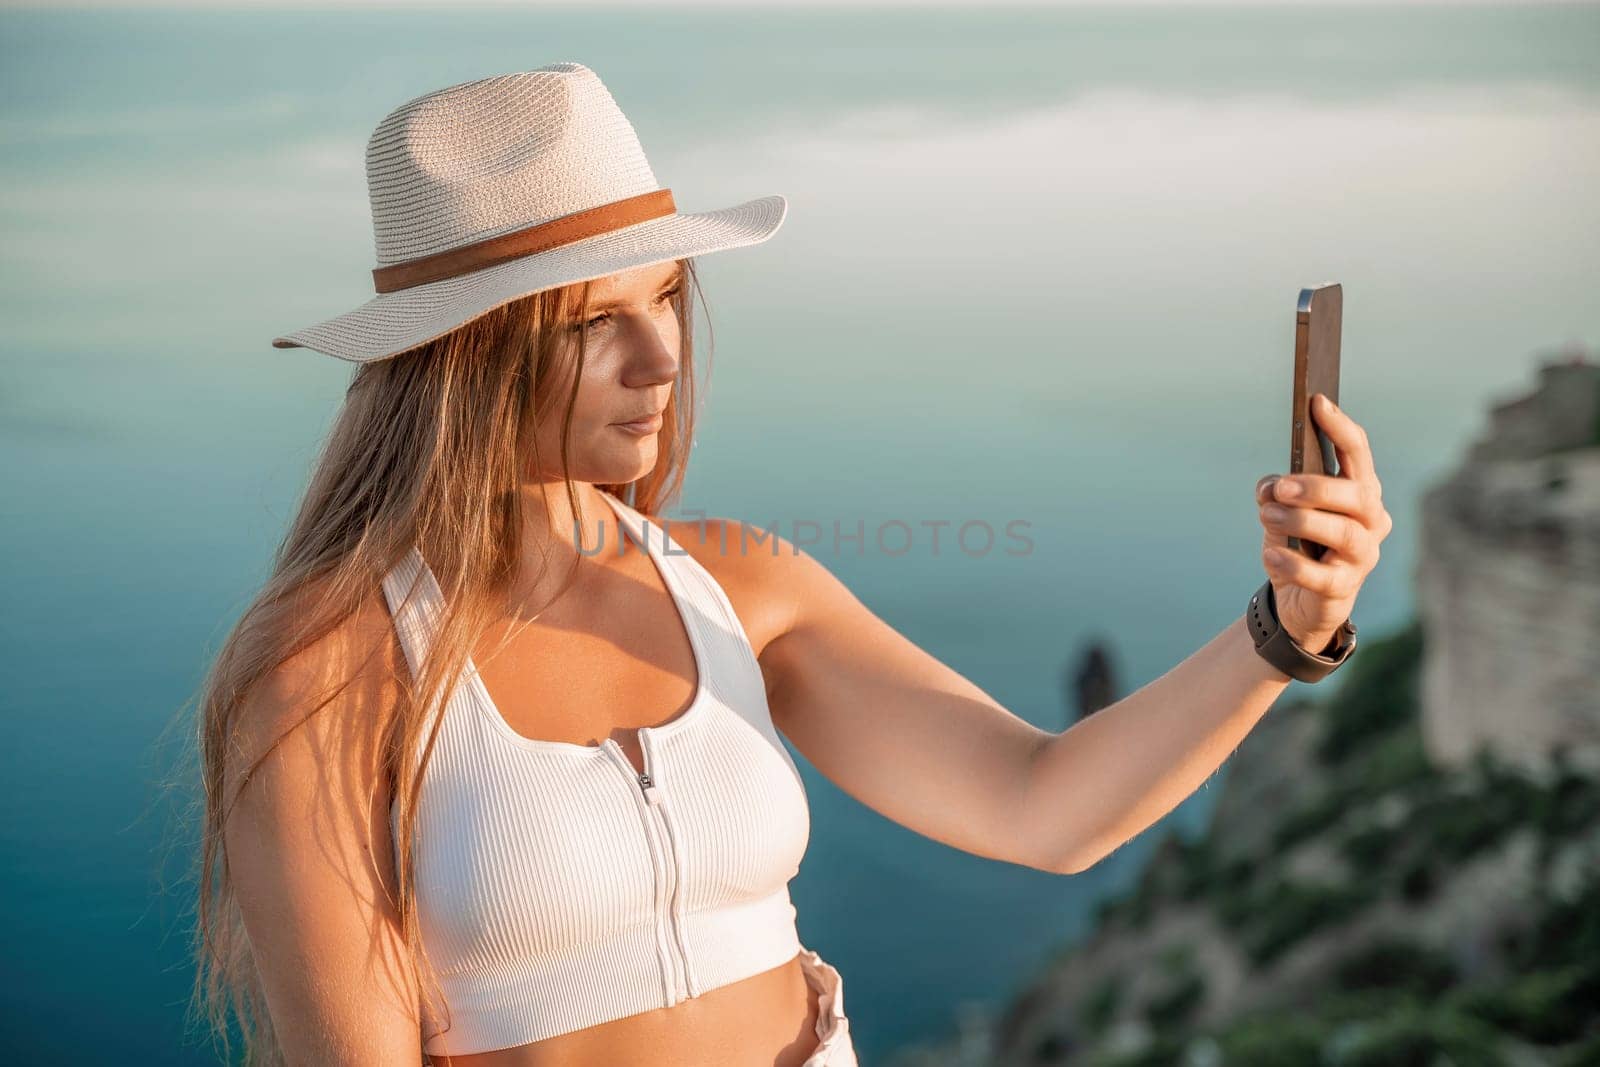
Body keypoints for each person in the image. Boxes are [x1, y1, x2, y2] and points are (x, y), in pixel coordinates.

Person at [191, 64, 1391, 1067]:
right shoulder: (324, 665)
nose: (660, 355)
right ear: (460, 355)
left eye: (664, 294)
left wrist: (1280, 632)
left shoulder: (741, 583)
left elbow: (1044, 806)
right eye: (588, 323)